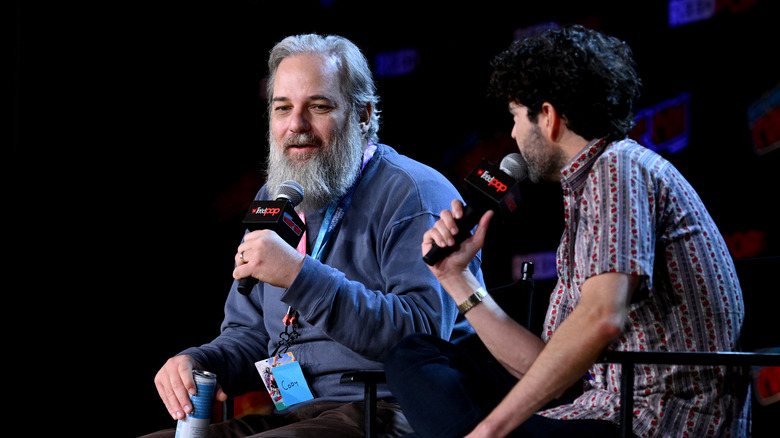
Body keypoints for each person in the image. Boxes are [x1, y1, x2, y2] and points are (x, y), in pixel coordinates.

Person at [384, 24, 750, 438]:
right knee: (414, 354)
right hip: (592, 408)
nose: (512, 135)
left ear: (549, 118)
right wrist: (455, 277)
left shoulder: (619, 169)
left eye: (517, 118)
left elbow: (600, 319)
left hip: (646, 423)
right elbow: (545, 368)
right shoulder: (593, 186)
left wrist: (490, 430)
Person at [144, 33, 481, 438]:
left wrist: (300, 276)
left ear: (363, 115)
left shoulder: (415, 193)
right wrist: (200, 361)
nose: (296, 126)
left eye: (318, 107)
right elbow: (250, 333)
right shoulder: (274, 198)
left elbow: (423, 335)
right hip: (298, 413)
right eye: (282, 108)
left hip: (394, 408)